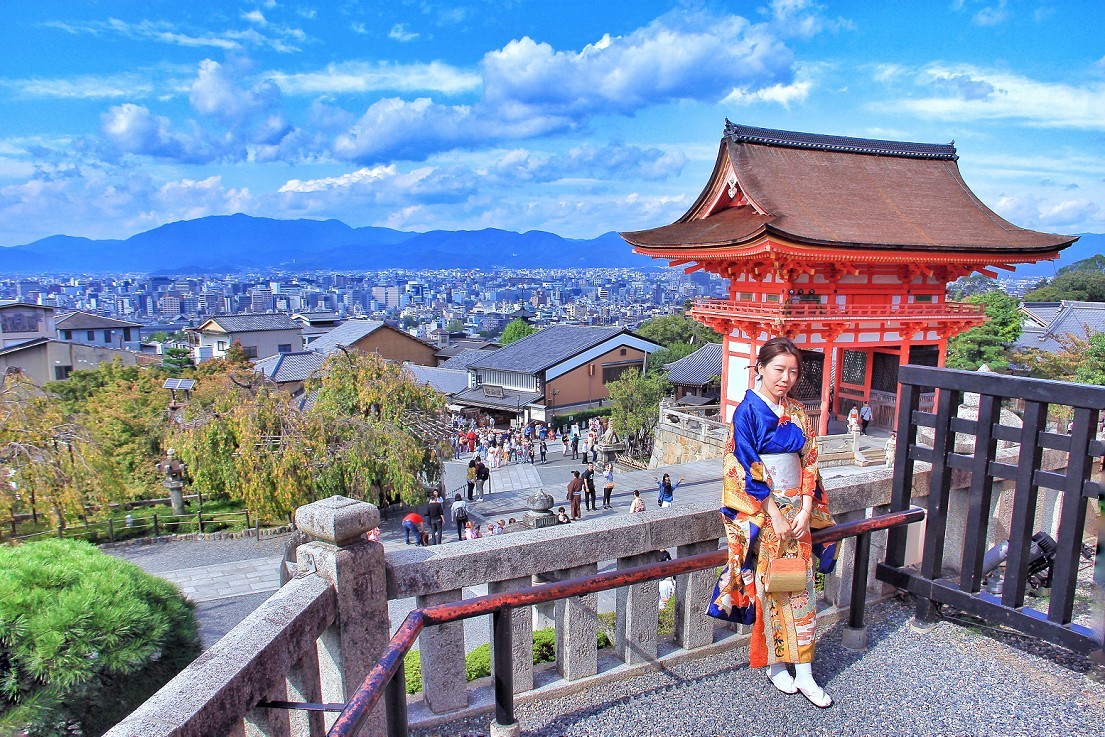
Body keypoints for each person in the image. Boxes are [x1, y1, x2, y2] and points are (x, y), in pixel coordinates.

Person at [706, 337, 838, 709]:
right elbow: (744, 466)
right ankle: (777, 663)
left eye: (793, 371)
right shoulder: (746, 412)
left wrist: (806, 506)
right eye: (779, 369)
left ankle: (806, 670)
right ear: (760, 368)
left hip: (797, 510)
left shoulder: (797, 411)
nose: (786, 378)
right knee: (770, 587)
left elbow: (810, 458)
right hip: (765, 515)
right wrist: (774, 514)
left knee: (802, 587)